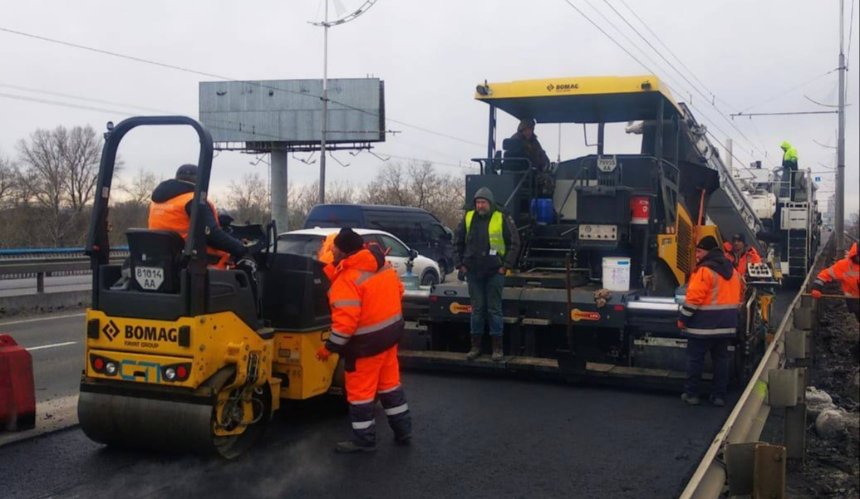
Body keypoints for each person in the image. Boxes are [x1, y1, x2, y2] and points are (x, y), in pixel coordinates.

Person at [315, 227, 412, 453]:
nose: (331, 251)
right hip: (389, 338)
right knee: (390, 386)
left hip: (365, 346)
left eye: (334, 247)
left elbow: (345, 324)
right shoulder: (383, 266)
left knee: (360, 394)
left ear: (343, 251)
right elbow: (398, 291)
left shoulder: (347, 279)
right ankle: (403, 430)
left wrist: (329, 348)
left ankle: (364, 440)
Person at [455, 187, 521, 361]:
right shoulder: (468, 217)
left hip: (494, 272)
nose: (480, 205)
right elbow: (457, 241)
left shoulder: (502, 217)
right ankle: (475, 347)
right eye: (477, 202)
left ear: (490, 203)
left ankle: (497, 349)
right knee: (477, 310)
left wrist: (505, 266)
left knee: (494, 310)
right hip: (473, 272)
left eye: (483, 202)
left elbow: (515, 242)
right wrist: (460, 264)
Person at [678, 236, 742, 407]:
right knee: (721, 360)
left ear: (707, 252)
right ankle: (719, 396)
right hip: (726, 326)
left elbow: (693, 300)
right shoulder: (733, 271)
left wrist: (682, 319)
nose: (697, 255)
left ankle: (692, 394)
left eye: (698, 251)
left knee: (695, 360)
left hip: (703, 326)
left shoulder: (704, 271)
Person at [148, 164, 250, 267]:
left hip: (164, 259)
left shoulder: (157, 202)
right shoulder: (194, 200)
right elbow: (212, 235)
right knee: (243, 267)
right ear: (200, 181)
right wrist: (240, 247)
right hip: (195, 263)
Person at [811, 242, 859, 321]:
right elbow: (825, 274)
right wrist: (816, 288)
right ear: (855, 255)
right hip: (854, 300)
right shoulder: (844, 265)